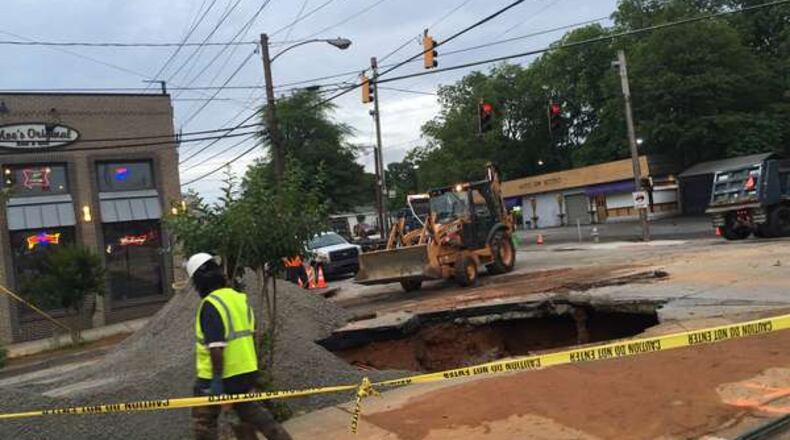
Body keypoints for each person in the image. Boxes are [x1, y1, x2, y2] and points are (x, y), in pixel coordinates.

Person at [186, 253, 292, 440]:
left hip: (217, 377)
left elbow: (216, 348)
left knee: (204, 424)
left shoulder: (211, 305)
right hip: (246, 372)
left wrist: (217, 381)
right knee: (252, 416)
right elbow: (251, 336)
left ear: (198, 282)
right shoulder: (239, 299)